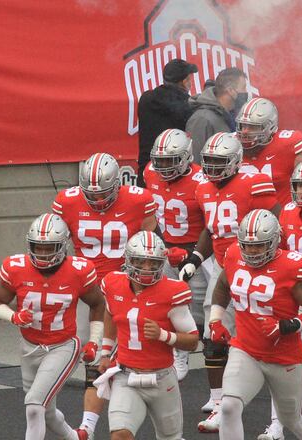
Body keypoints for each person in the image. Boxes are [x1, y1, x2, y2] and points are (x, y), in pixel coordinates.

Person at [174, 132, 279, 433]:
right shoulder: (203, 187)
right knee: (213, 336)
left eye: (220, 162)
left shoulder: (253, 183)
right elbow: (212, 228)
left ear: (235, 161)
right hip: (224, 270)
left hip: (258, 270)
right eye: (208, 161)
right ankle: (218, 402)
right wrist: (195, 258)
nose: (212, 167)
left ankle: (280, 412)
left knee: (270, 341)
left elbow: (274, 222)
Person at [52, 152, 157, 438]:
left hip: (127, 286)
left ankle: (147, 416)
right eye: (91, 194)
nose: (97, 201)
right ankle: (88, 425)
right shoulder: (67, 201)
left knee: (141, 357)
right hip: (90, 290)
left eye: (104, 193)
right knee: (96, 357)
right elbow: (56, 245)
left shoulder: (139, 200)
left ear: (118, 185)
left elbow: (149, 244)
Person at [209, 209, 302, 439]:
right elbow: (223, 285)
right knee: (229, 406)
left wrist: (288, 325)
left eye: (259, 246)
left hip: (284, 356)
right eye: (247, 245)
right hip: (245, 349)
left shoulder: (293, 266)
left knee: (290, 418)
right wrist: (215, 319)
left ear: (274, 242)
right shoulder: (234, 254)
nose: (251, 251)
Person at [0, 214, 105, 440]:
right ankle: (76, 437)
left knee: (33, 405)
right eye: (37, 247)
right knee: (46, 411)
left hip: (63, 347)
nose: (42, 254)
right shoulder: (16, 267)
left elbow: (98, 303)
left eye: (48, 248)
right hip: (29, 347)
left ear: (63, 246)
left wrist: (94, 340)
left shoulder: (78, 270)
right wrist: (13, 316)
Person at [96, 231, 200, 439]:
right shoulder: (113, 284)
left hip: (162, 378)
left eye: (153, 263)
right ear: (129, 260)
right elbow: (110, 312)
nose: (146, 268)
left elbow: (193, 341)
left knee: (170, 437)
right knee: (120, 434)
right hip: (126, 376)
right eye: (141, 262)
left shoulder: (172, 291)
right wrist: (106, 351)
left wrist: (164, 335)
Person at [143, 128, 208, 380]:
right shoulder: (150, 171)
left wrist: (193, 253)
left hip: (199, 251)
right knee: (173, 305)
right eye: (160, 161)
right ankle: (178, 355)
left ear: (185, 157)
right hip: (167, 248)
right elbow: (151, 214)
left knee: (206, 309)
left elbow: (209, 222)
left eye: (170, 161)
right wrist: (161, 245)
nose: (163, 167)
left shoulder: (201, 179)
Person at [235, 97, 302, 205]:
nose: (245, 132)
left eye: (252, 127)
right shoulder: (231, 148)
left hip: (280, 219)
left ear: (269, 127)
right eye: (243, 126)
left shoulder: (285, 146)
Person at [137, 58, 198, 186]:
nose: (190, 83)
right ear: (183, 82)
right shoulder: (187, 106)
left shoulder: (146, 99)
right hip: (173, 176)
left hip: (146, 171)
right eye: (189, 79)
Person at [186, 68, 248, 162]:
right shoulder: (201, 119)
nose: (246, 92)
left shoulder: (235, 115)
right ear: (231, 90)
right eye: (243, 87)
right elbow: (195, 162)